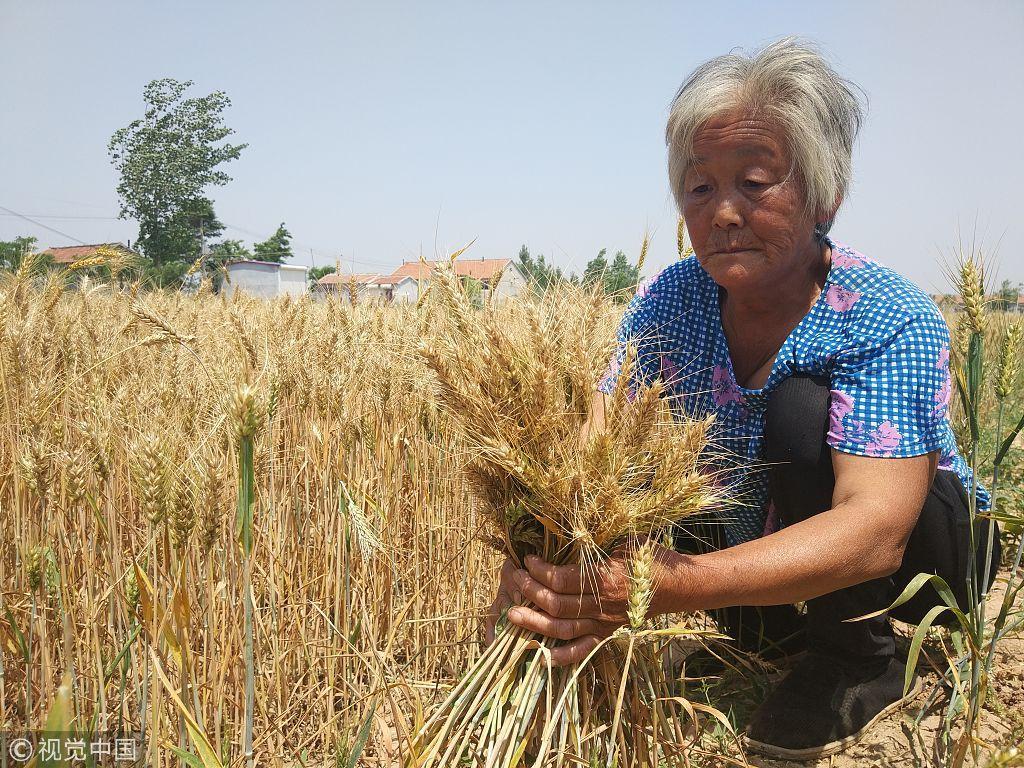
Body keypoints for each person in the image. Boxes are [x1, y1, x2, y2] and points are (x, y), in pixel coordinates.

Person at [483, 37, 999, 760]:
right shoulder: (671, 302)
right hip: (764, 526)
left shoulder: (887, 314)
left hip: (927, 551)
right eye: (699, 188)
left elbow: (876, 529)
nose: (723, 212)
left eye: (755, 182)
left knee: (798, 410)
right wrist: (548, 565)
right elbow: (595, 458)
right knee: (676, 470)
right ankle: (780, 624)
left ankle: (860, 659)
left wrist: (666, 584)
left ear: (825, 196)